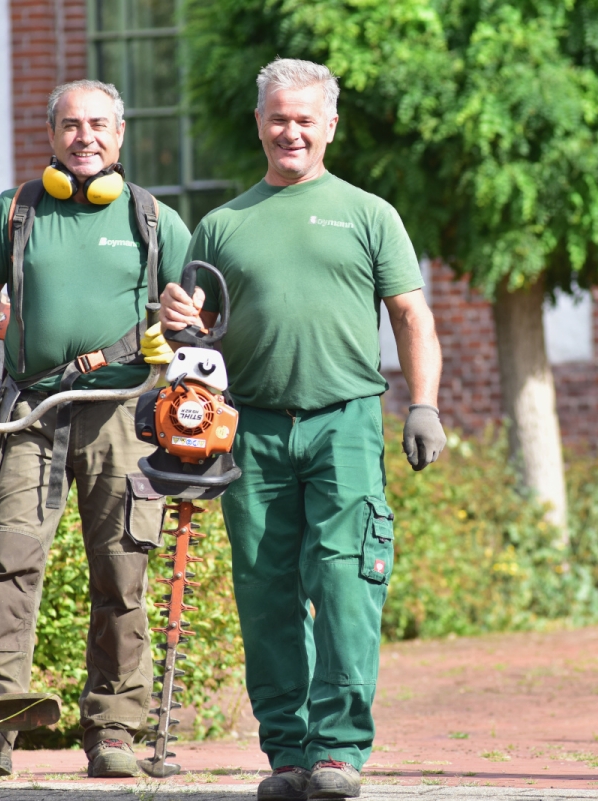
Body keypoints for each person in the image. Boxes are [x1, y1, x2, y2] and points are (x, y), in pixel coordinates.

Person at [0, 79, 190, 778]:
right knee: (8, 558)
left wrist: (169, 341)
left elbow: (189, 314)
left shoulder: (152, 218)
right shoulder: (18, 210)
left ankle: (113, 728)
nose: (85, 137)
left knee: (122, 569)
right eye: (72, 125)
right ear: (52, 134)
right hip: (31, 411)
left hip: (125, 413)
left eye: (99, 125)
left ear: (121, 134)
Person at [159, 58, 445, 801]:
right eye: (278, 117)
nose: (291, 130)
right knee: (265, 590)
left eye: (304, 118)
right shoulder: (222, 224)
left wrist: (423, 403)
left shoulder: (368, 213)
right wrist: (173, 319)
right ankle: (287, 753)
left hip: (344, 421)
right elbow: (192, 333)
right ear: (260, 124)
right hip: (249, 427)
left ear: (329, 126)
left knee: (348, 582)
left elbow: (412, 316)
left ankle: (339, 750)